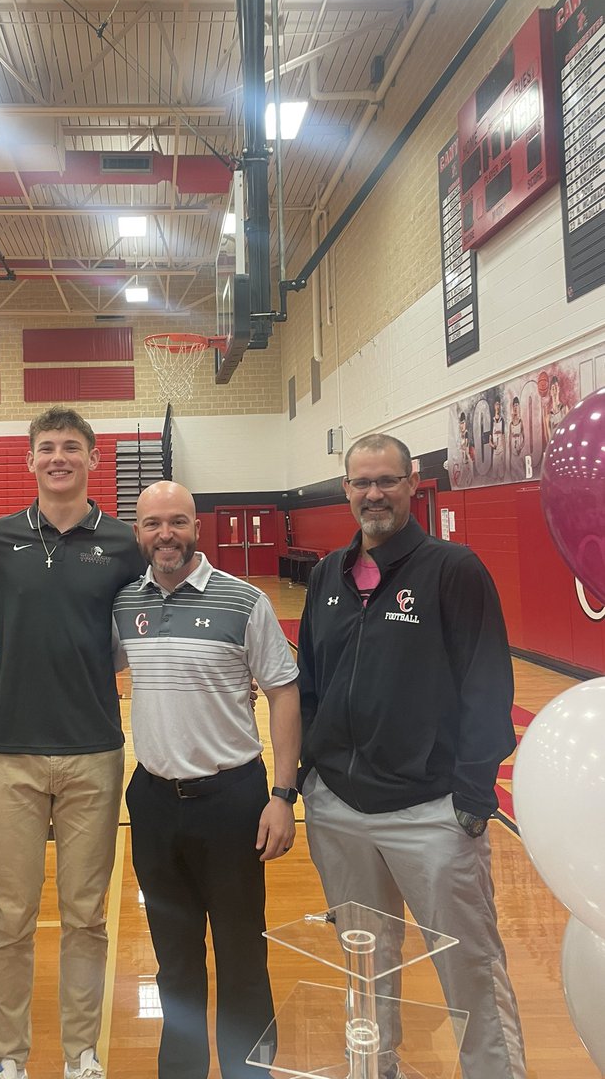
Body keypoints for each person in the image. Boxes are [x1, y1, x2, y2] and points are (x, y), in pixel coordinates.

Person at [297, 433, 526, 1079]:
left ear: (412, 486)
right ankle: (375, 1068)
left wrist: (474, 799)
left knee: (471, 971)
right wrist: (311, 774)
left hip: (431, 815)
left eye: (386, 481)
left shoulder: (453, 570)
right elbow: (309, 681)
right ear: (345, 490)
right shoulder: (327, 576)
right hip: (339, 808)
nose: (373, 494)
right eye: (361, 482)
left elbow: (487, 686)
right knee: (367, 961)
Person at [113, 481, 301, 1079]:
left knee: (243, 951)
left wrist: (282, 796)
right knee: (174, 959)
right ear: (137, 532)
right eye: (152, 524)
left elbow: (284, 692)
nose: (165, 534)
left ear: (197, 526)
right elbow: (83, 664)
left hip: (232, 800)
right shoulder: (123, 605)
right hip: (153, 801)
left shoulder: (244, 601)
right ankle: (184, 1069)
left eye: (176, 522)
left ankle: (250, 1071)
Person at [0, 407, 143, 1079]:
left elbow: (144, 633)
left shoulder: (124, 543)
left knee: (86, 916)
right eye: (46, 447)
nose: (58, 457)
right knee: (10, 917)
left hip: (93, 748)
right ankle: (9, 1056)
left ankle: (80, 1052)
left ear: (93, 459)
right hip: (9, 748)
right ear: (29, 460)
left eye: (70, 447)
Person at [508, 396, 525, 479]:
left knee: (520, 471)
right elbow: (509, 438)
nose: (515, 407)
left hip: (519, 450)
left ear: (519, 407)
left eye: (517, 405)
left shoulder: (521, 421)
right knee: (513, 472)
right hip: (512, 450)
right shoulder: (510, 423)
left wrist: (520, 447)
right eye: (514, 405)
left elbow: (524, 438)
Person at [490, 397, 505, 481]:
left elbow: (503, 436)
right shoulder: (491, 422)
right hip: (495, 451)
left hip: (501, 449)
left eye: (499, 404)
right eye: (496, 404)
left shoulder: (502, 420)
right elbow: (490, 441)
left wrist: (504, 449)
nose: (497, 406)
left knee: (501, 473)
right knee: (495, 474)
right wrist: (493, 445)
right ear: (494, 406)